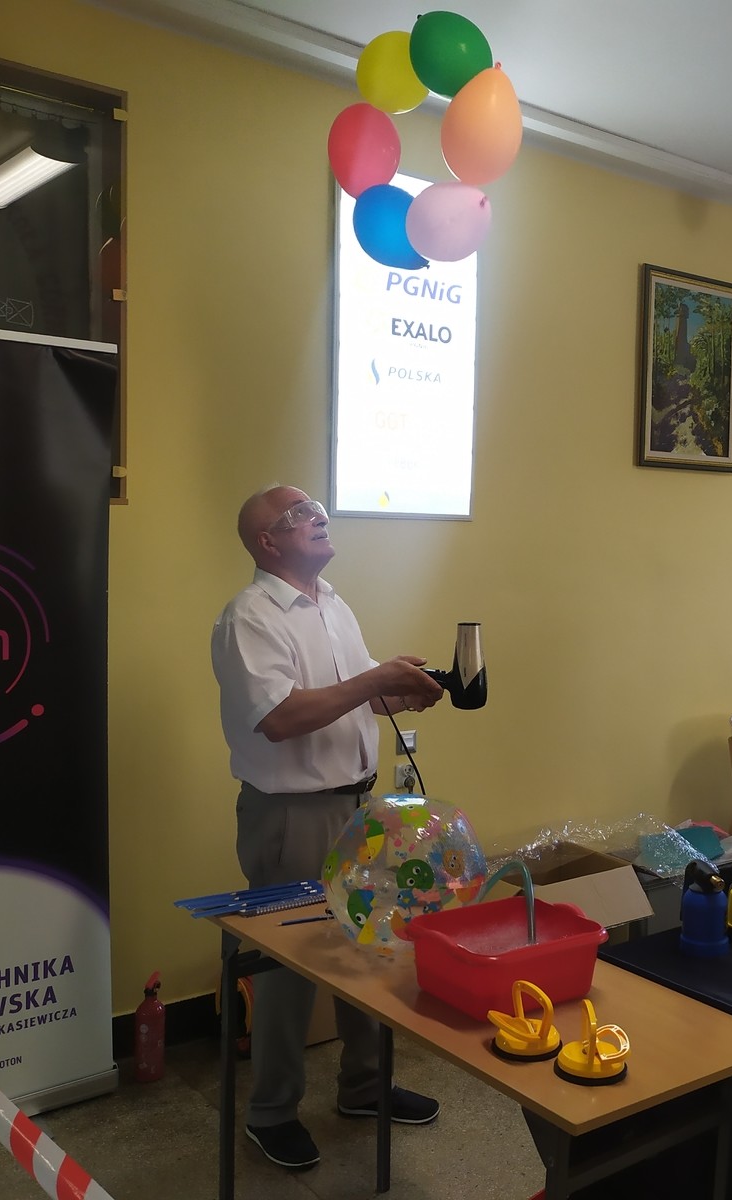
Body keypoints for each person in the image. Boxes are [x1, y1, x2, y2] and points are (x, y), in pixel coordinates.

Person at [210, 484, 445, 1171]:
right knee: (292, 966)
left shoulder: (333, 604)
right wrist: (372, 682)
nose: (319, 518)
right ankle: (272, 1113)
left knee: (369, 947)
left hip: (358, 807)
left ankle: (365, 1088)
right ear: (267, 542)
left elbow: (349, 700)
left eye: (319, 510)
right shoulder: (248, 617)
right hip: (293, 815)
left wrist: (399, 692)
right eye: (300, 516)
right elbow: (280, 718)